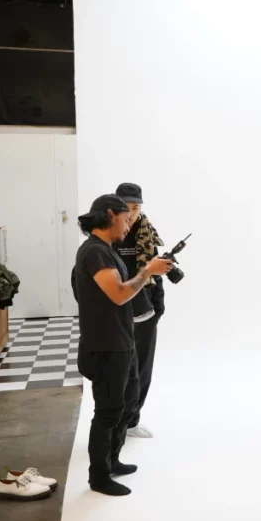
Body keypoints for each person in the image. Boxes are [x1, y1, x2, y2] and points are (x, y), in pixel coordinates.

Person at [74, 194, 173, 497]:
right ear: (109, 215)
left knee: (122, 404)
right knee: (107, 412)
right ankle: (99, 476)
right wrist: (147, 272)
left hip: (120, 340)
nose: (130, 223)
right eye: (126, 217)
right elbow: (118, 294)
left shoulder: (105, 250)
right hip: (106, 346)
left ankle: (112, 460)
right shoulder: (95, 252)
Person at [112, 183, 166, 439]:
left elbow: (156, 270)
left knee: (143, 369)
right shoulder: (107, 235)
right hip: (117, 313)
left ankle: (132, 421)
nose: (131, 213)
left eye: (136, 207)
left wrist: (158, 302)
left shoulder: (146, 232)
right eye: (126, 207)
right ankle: (114, 423)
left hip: (145, 313)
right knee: (120, 372)